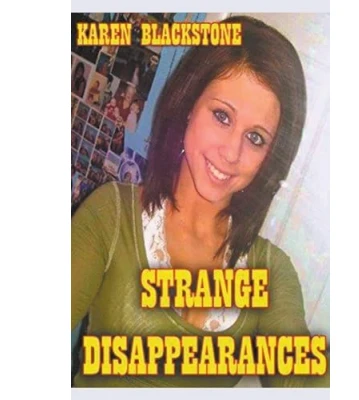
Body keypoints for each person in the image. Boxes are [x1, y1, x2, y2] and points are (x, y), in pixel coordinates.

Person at [72, 16, 329, 388]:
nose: (232, 152)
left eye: (255, 138)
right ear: (190, 104)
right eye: (222, 116)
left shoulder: (270, 271)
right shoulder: (111, 217)